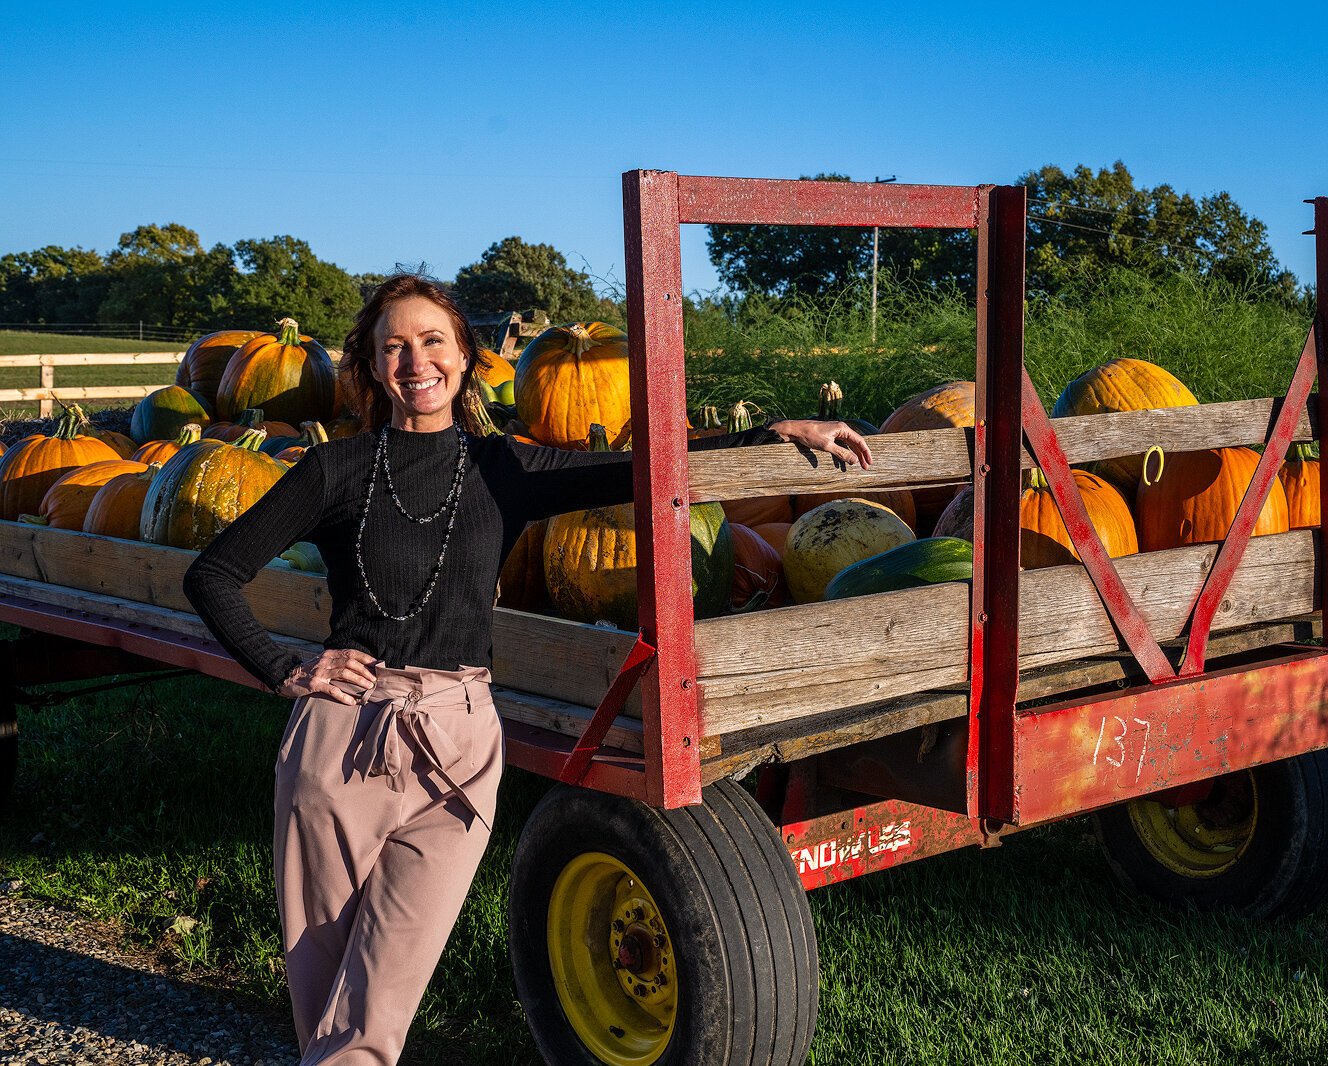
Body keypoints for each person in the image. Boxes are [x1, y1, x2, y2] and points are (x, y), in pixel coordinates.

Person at [183, 274, 871, 1065]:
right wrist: (287, 670)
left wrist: (774, 434)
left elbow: (638, 470)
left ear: (466, 357)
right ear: (372, 368)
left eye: (433, 340)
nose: (416, 361)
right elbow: (213, 574)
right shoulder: (332, 470)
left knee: (384, 991)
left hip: (459, 741)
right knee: (325, 989)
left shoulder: (502, 470)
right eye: (394, 347)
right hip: (344, 740)